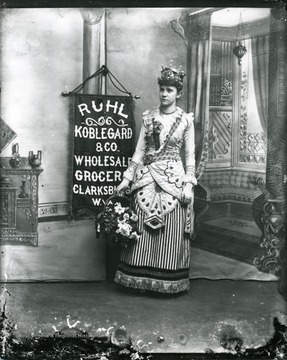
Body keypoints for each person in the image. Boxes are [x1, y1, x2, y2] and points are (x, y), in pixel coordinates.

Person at [115, 65, 197, 294]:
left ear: (178, 93)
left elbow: (190, 156)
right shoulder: (149, 118)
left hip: (173, 178)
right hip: (147, 175)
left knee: (172, 221)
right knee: (140, 217)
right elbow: (140, 151)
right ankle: (138, 278)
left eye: (169, 90)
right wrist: (126, 178)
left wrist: (188, 184)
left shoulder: (185, 120)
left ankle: (167, 280)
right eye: (162, 89)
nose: (164, 94)